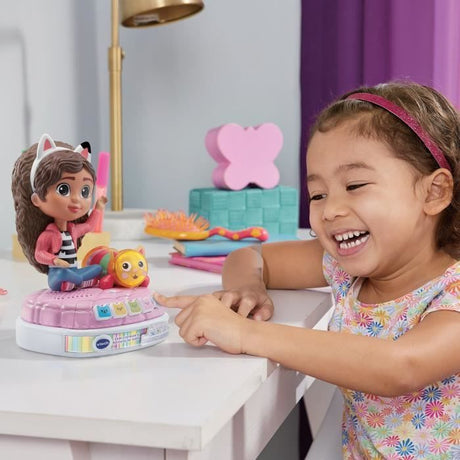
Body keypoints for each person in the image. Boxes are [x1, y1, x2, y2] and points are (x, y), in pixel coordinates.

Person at [156, 82, 460, 458]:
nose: (330, 210)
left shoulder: (452, 291)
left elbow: (400, 367)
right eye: (318, 194)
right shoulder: (347, 268)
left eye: (355, 185)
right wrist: (248, 288)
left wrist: (243, 332)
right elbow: (251, 256)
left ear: (434, 192)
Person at [12, 133, 107, 291]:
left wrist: (98, 208)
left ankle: (76, 281)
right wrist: (54, 260)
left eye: (84, 191)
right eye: (63, 189)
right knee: (65, 274)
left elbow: (89, 226)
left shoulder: (73, 230)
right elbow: (39, 254)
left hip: (73, 270)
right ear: (36, 199)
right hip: (58, 273)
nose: (76, 200)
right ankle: (77, 281)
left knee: (97, 268)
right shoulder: (48, 235)